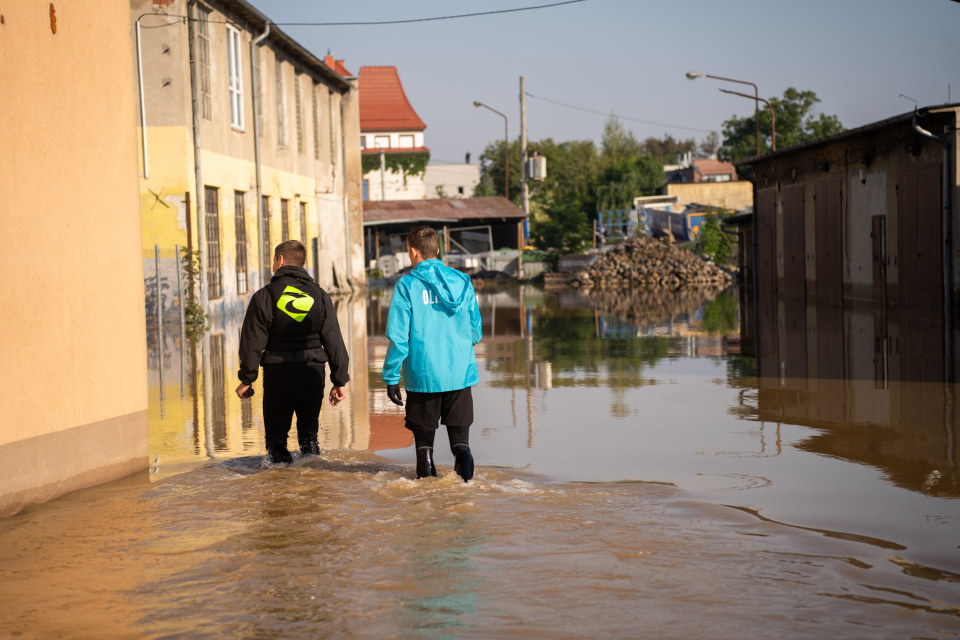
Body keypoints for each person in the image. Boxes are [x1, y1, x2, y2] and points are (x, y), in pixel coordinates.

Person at [382, 226, 482, 482]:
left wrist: (392, 376)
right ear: (437, 250)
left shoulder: (407, 285)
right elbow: (476, 331)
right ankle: (467, 490)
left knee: (424, 448)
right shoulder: (463, 281)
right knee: (462, 446)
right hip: (460, 374)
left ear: (413, 252)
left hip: (423, 376)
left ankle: (428, 505)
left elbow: (399, 336)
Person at [236, 240, 350, 464]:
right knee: (310, 439)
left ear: (279, 260)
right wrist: (339, 380)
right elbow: (334, 340)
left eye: (273, 260)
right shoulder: (320, 296)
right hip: (313, 374)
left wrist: (247, 379)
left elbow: (251, 343)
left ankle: (282, 485)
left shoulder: (264, 297)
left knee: (276, 440)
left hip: (279, 376)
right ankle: (314, 480)